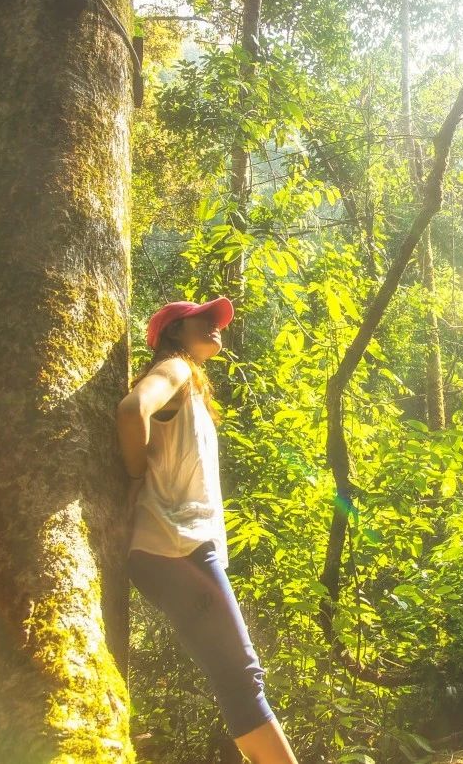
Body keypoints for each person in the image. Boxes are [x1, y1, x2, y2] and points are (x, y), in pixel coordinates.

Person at [117, 297, 299, 764]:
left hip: (178, 548)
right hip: (176, 546)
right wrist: (136, 477)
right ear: (175, 331)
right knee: (241, 676)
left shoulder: (190, 386)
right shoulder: (174, 369)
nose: (216, 326)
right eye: (205, 319)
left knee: (235, 675)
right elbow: (132, 408)